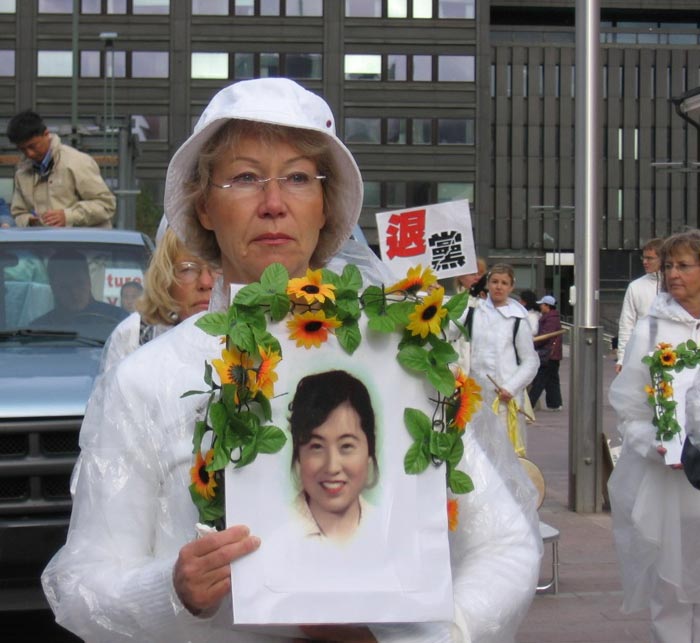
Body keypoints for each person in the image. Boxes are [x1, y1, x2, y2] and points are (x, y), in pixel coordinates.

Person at [42, 78, 541, 642]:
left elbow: (504, 543)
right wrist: (172, 590)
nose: (274, 204)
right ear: (204, 206)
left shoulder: (403, 361)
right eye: (245, 178)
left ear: (326, 206)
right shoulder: (150, 379)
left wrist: (434, 637)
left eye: (299, 178)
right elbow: (83, 586)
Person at [609, 230, 700, 642]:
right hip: (670, 480)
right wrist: (656, 445)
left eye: (684, 265)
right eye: (668, 266)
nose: (673, 274)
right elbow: (629, 409)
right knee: (671, 583)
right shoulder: (651, 329)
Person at [100, 226, 220, 372]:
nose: (205, 282)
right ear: (165, 278)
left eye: (218, 267)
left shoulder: (245, 338)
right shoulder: (134, 336)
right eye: (188, 268)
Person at [290, 370, 377, 542]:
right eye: (317, 446)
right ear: (298, 453)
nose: (332, 467)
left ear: (369, 450)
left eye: (346, 446)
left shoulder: (389, 529)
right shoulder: (274, 532)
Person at [465, 263, 539, 456]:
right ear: (488, 284)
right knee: (475, 453)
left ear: (511, 287)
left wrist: (511, 387)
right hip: (474, 395)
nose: (499, 287)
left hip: (503, 399)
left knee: (504, 454)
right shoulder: (473, 311)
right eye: (495, 281)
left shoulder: (517, 319)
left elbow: (530, 361)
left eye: (504, 283)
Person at [6, 110, 116, 227]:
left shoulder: (77, 162)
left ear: (46, 134)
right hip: (44, 238)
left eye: (32, 146)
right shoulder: (21, 172)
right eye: (22, 149)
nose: (29, 153)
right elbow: (18, 213)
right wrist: (28, 221)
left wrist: (68, 217)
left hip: (84, 238)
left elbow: (106, 205)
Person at [30, 248, 127, 330]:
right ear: (54, 288)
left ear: (89, 281)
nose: (74, 293)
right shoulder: (39, 329)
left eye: (79, 284)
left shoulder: (119, 320)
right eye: (65, 287)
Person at [616, 238, 663, 373]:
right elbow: (626, 324)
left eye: (650, 258)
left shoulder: (675, 284)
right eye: (644, 257)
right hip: (641, 354)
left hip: (672, 353)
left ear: (662, 259)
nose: (644, 262)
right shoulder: (635, 286)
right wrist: (622, 358)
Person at [528, 295, 563, 412]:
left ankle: (530, 403)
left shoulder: (550, 319)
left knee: (540, 379)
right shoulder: (551, 318)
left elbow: (545, 336)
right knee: (552, 380)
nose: (540, 307)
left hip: (548, 354)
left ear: (547, 306)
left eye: (542, 305)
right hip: (552, 354)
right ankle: (555, 404)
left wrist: (533, 344)